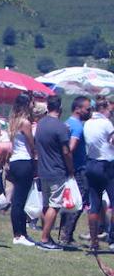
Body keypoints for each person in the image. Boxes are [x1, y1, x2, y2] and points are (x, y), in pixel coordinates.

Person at [33, 95, 75, 250]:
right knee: (55, 205)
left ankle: (46, 236)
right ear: (60, 108)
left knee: (46, 204)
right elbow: (66, 151)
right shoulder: (61, 127)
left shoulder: (41, 124)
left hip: (43, 168)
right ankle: (44, 239)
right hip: (56, 169)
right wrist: (71, 169)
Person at [6, 91, 39, 247]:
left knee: (18, 200)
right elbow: (32, 144)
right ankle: (18, 234)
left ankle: (21, 233)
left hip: (15, 161)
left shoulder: (13, 120)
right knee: (20, 200)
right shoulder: (25, 123)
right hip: (24, 161)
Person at [83, 96, 114, 251]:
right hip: (106, 165)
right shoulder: (106, 123)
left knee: (94, 205)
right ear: (104, 109)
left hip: (91, 164)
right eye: (109, 110)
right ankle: (112, 238)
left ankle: (94, 240)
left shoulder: (87, 123)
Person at [64, 96, 93, 246]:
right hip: (78, 169)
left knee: (68, 201)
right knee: (79, 202)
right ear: (78, 109)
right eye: (87, 109)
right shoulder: (77, 127)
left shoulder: (67, 123)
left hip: (70, 168)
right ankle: (67, 235)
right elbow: (71, 147)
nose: (90, 111)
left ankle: (64, 233)